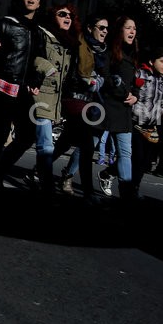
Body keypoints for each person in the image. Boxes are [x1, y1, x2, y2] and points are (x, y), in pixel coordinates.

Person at [0, 0, 45, 191]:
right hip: (3, 86)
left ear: (40, 2)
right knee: (0, 134)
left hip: (24, 90)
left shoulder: (39, 32)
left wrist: (36, 82)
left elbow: (39, 61)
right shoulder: (7, 23)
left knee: (27, 135)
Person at [53, 13, 110, 202]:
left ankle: (42, 168)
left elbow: (103, 77)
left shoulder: (103, 51)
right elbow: (76, 74)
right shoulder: (79, 45)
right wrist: (92, 81)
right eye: (101, 27)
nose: (104, 31)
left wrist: (99, 81)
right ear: (90, 28)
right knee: (86, 146)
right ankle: (87, 192)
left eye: (107, 28)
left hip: (93, 104)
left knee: (66, 142)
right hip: (76, 100)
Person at [27, 3, 79, 195]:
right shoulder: (42, 33)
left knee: (23, 141)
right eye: (62, 14)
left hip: (56, 100)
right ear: (52, 16)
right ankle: (47, 187)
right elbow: (32, 56)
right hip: (40, 94)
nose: (67, 18)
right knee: (46, 145)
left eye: (71, 16)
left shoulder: (71, 43)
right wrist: (44, 67)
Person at [97, 16, 140, 199]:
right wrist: (123, 93)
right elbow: (106, 77)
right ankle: (66, 174)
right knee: (88, 145)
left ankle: (126, 194)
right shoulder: (109, 52)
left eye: (134, 28)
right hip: (106, 107)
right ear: (119, 30)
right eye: (128, 28)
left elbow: (135, 81)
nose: (132, 32)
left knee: (125, 152)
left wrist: (135, 95)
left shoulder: (134, 55)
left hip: (124, 110)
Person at [129, 47, 163, 200]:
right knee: (137, 157)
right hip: (135, 122)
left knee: (145, 161)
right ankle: (130, 187)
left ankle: (133, 185)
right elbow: (129, 92)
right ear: (152, 61)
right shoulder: (139, 73)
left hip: (152, 125)